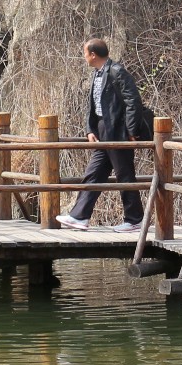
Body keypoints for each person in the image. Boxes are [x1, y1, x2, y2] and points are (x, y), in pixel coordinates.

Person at [59, 38, 147, 232]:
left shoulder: (116, 71)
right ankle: (79, 216)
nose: (83, 57)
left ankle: (134, 220)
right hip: (102, 130)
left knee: (124, 175)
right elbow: (93, 105)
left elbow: (134, 101)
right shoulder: (97, 73)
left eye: (85, 53)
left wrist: (131, 131)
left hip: (117, 131)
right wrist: (90, 129)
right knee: (94, 172)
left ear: (93, 54)